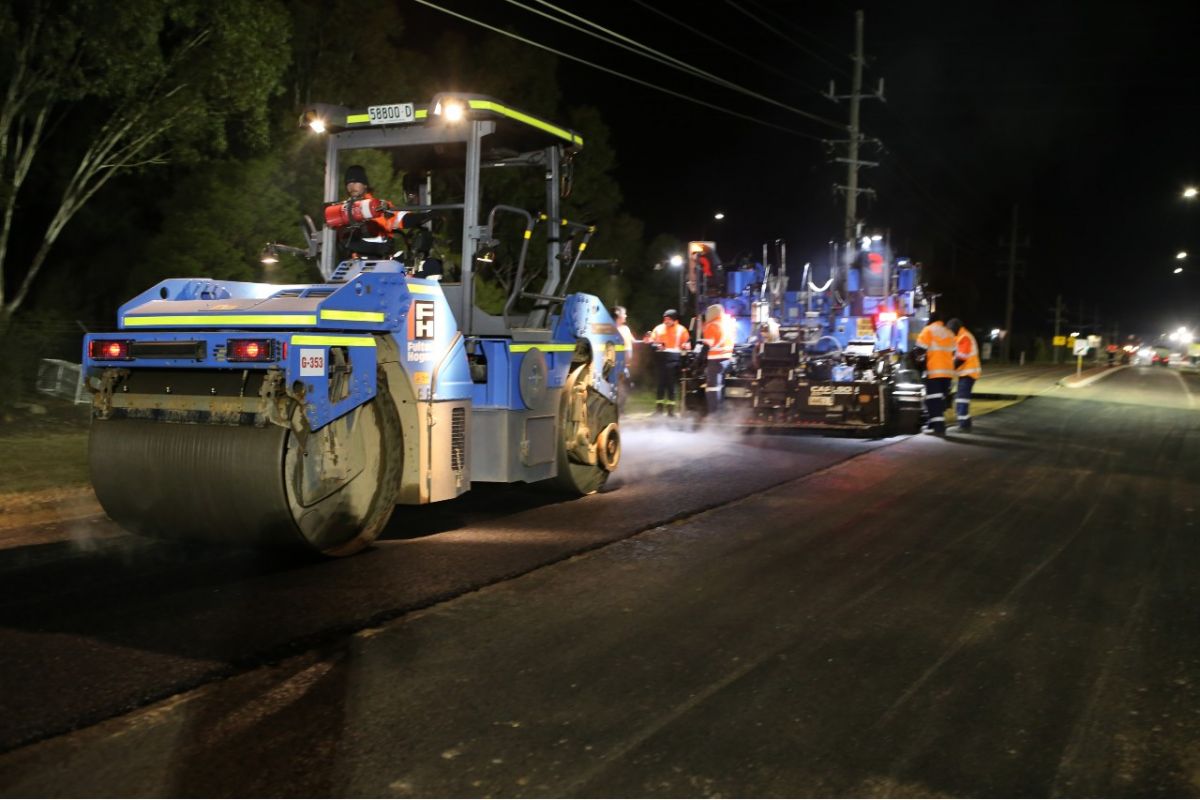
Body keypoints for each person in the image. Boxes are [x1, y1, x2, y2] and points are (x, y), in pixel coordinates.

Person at [330, 165, 436, 264]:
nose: (352, 186)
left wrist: (427, 215)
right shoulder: (342, 210)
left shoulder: (380, 206)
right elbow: (346, 241)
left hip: (383, 263)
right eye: (349, 183)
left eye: (356, 182)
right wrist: (376, 248)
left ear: (365, 185)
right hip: (355, 265)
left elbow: (402, 218)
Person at [914, 314, 957, 436]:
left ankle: (939, 427)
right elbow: (954, 353)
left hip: (934, 372)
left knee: (933, 401)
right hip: (947, 374)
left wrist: (918, 361)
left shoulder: (928, 330)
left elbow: (919, 350)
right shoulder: (949, 332)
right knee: (939, 400)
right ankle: (931, 424)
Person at [645, 308, 690, 416]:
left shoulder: (682, 330)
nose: (666, 321)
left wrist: (685, 348)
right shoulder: (659, 328)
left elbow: (687, 345)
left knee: (671, 386)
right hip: (661, 359)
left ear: (674, 320)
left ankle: (671, 411)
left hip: (675, 360)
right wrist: (656, 345)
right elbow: (650, 342)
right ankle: (659, 410)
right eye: (664, 319)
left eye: (668, 319)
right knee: (660, 385)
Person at [947, 318, 981, 432]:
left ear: (955, 328)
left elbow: (961, 357)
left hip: (968, 372)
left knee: (962, 399)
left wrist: (950, 369)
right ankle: (965, 422)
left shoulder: (964, 337)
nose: (950, 332)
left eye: (951, 330)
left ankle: (964, 425)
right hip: (966, 372)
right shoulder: (961, 336)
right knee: (961, 398)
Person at [701, 303, 735, 415]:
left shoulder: (712, 325)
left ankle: (714, 414)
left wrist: (697, 362)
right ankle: (721, 411)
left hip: (716, 359)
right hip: (726, 359)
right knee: (721, 386)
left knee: (713, 388)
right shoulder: (728, 323)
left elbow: (707, 346)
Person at [613, 306, 635, 415]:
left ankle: (621, 408)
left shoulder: (626, 328)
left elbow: (633, 341)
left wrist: (645, 341)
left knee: (626, 385)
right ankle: (616, 408)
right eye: (624, 314)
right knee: (618, 384)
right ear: (618, 315)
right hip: (617, 363)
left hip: (626, 364)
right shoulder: (611, 329)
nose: (626, 316)